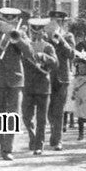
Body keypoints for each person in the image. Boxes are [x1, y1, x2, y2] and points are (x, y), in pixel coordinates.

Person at [0, 7, 26, 161]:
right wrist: (1, 43)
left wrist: (17, 40)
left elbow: (29, 53)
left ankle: (7, 148)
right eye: (5, 21)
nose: (8, 24)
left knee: (12, 115)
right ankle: (2, 140)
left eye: (11, 21)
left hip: (15, 80)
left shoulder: (21, 35)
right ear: (1, 21)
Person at [20, 19, 57, 156]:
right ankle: (32, 135)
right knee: (26, 116)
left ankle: (39, 145)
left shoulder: (48, 46)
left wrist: (44, 57)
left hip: (43, 85)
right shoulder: (25, 45)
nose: (36, 33)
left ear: (43, 31)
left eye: (39, 30)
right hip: (28, 85)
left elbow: (55, 63)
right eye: (34, 30)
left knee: (41, 118)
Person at [47, 12, 74, 151]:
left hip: (62, 78)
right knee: (49, 111)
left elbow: (71, 54)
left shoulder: (68, 36)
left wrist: (61, 39)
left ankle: (57, 139)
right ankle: (53, 130)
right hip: (47, 77)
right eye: (53, 21)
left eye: (59, 21)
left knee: (58, 110)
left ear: (63, 22)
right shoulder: (45, 37)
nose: (56, 23)